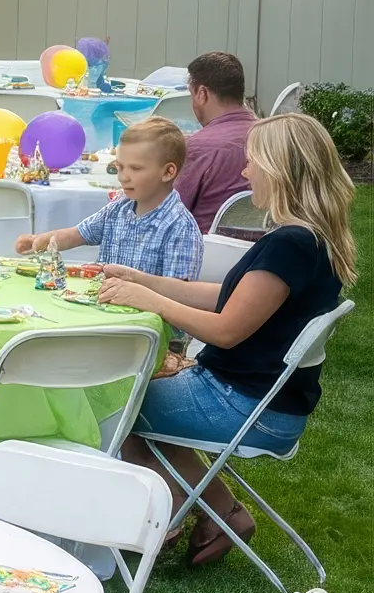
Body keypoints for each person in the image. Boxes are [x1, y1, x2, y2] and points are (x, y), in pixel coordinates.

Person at [101, 114, 357, 567]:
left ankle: (160, 522)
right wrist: (150, 281)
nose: (245, 172)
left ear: (282, 170)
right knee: (142, 398)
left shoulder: (290, 245)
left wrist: (150, 301)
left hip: (245, 406)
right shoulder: (311, 240)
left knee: (112, 402)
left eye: (253, 162)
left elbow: (225, 328)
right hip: (265, 399)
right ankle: (221, 514)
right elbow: (231, 298)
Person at [15, 117, 202, 280]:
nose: (123, 177)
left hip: (145, 318)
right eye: (119, 167)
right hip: (105, 306)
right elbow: (78, 234)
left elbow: (179, 292)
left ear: (168, 172)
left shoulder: (180, 227)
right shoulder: (119, 208)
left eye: (135, 168)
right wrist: (39, 240)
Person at [173, 51, 258, 232]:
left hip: (204, 250)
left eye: (192, 94)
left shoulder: (199, 147)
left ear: (202, 93)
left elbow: (169, 212)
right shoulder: (273, 139)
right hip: (263, 249)